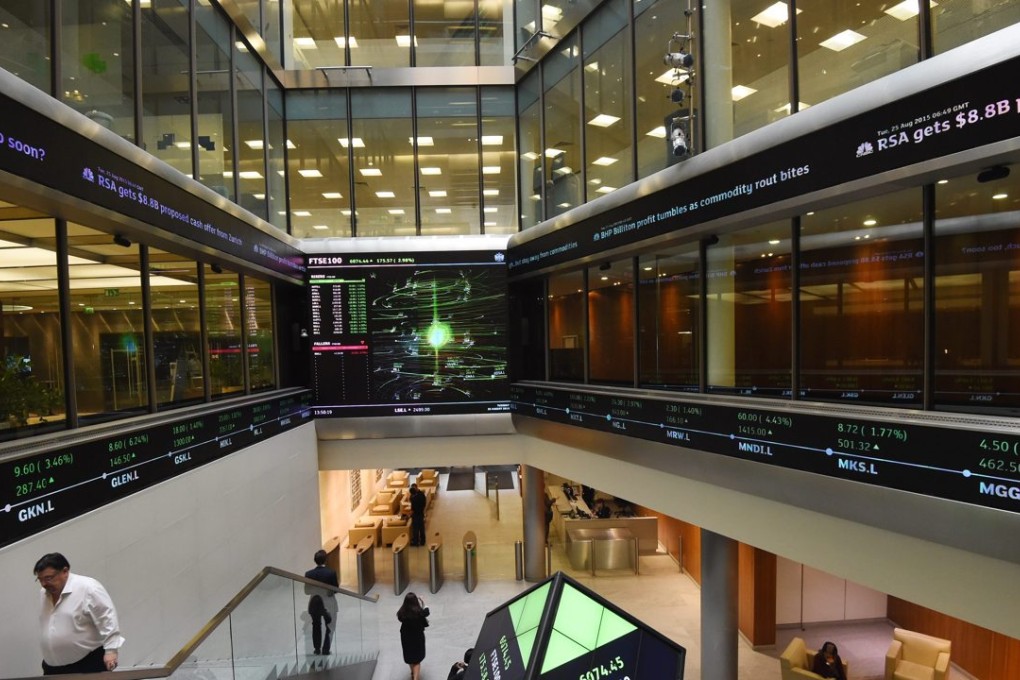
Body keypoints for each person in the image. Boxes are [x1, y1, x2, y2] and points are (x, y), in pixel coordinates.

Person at [34, 552, 125, 675]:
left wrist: (111, 651)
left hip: (86, 665)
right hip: (52, 668)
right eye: (40, 580)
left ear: (65, 571)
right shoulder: (43, 593)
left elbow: (107, 619)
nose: (44, 584)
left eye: (48, 578)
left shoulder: (88, 588)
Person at [304, 549, 338, 655]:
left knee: (316, 626)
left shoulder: (309, 574)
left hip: (314, 603)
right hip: (329, 603)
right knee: (330, 626)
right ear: (325, 560)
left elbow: (307, 591)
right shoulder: (331, 573)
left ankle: (317, 649)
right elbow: (335, 589)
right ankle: (326, 649)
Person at [397, 591, 430, 680]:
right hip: (417, 638)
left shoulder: (401, 613)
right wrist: (423, 601)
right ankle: (415, 678)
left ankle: (413, 673)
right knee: (417, 660)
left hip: (406, 638)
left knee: (410, 658)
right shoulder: (419, 612)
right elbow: (427, 611)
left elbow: (400, 617)